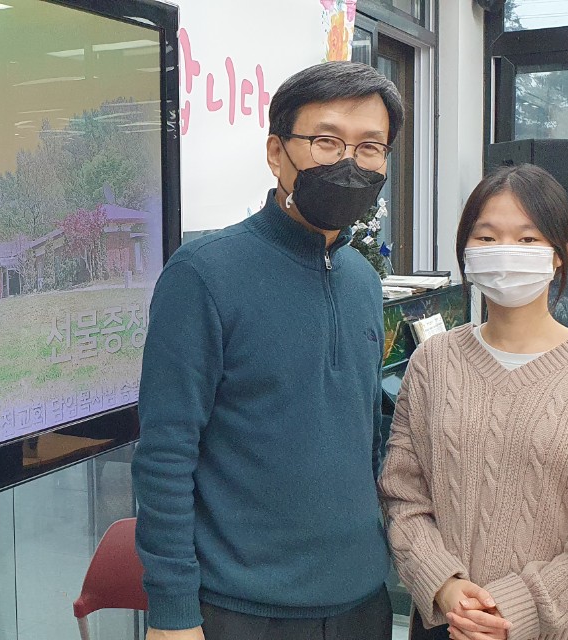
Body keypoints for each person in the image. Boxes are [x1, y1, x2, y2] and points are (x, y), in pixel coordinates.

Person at [132, 61, 404, 640]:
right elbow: (165, 454)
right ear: (277, 152)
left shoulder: (363, 281)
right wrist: (173, 612)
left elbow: (365, 436)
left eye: (370, 147)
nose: (350, 163)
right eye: (327, 141)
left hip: (362, 601)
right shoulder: (203, 275)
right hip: (242, 608)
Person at [379, 164, 568, 640]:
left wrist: (518, 606)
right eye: (487, 237)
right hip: (447, 623)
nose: (505, 251)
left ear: (562, 253)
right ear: (466, 250)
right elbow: (401, 494)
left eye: (528, 239)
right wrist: (444, 584)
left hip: (563, 629)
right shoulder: (433, 361)